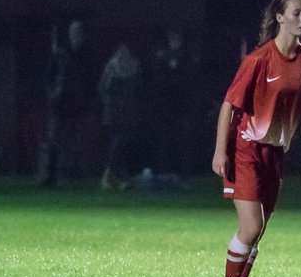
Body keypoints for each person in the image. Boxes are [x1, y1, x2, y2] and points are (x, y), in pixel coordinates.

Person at [211, 0, 301, 277]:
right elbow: (229, 106)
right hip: (246, 149)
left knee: (258, 231)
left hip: (275, 154)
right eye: (296, 13)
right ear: (279, 18)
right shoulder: (258, 60)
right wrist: (221, 151)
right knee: (249, 228)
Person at [39, 20, 99, 186]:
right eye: (73, 32)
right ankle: (51, 177)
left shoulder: (88, 55)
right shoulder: (60, 54)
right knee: (54, 140)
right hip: (59, 105)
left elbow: (92, 80)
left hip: (79, 106)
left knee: (76, 143)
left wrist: (88, 100)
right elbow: (47, 77)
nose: (76, 36)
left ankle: (74, 177)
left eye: (79, 32)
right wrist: (52, 94)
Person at [150, 28, 203, 179]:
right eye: (173, 39)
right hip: (164, 108)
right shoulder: (161, 59)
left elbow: (189, 82)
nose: (175, 43)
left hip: (181, 107)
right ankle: (164, 171)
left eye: (178, 40)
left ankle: (182, 172)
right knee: (164, 139)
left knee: (182, 140)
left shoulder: (186, 59)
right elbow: (158, 82)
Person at [98, 43, 143, 190]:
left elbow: (137, 90)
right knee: (116, 145)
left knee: (122, 146)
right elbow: (103, 90)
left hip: (128, 113)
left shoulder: (134, 67)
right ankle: (111, 176)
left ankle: (115, 176)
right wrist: (113, 103)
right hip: (114, 113)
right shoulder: (111, 68)